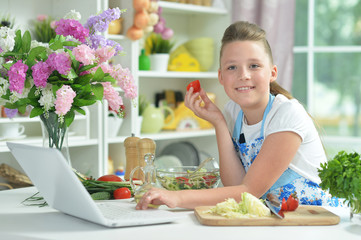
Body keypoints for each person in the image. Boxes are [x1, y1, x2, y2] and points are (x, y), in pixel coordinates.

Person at [136, 21, 340, 210]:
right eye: (232, 67)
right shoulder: (232, 112)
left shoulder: (287, 114)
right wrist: (218, 122)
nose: (244, 75)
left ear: (272, 72)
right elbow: (235, 186)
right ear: (221, 77)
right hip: (276, 221)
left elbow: (249, 191)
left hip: (316, 222)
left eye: (254, 65)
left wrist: (178, 198)